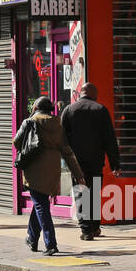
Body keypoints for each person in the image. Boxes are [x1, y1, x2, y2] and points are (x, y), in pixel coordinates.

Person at [14, 97, 84, 255]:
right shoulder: (58, 124)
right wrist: (78, 174)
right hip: (53, 168)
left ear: (36, 107)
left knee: (41, 206)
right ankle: (32, 238)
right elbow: (67, 152)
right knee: (40, 203)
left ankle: (50, 243)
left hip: (35, 168)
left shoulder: (30, 121)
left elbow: (16, 142)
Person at [60, 81, 122, 242]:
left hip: (76, 162)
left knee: (81, 193)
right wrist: (115, 163)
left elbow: (61, 137)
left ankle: (86, 229)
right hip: (96, 161)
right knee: (94, 193)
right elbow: (110, 139)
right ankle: (94, 227)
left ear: (81, 93)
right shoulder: (100, 110)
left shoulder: (69, 109)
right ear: (94, 94)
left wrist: (62, 158)